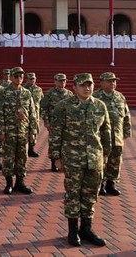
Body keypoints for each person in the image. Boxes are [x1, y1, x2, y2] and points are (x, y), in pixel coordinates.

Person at [50, 73, 110, 247]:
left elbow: (106, 133)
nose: (87, 88)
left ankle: (87, 229)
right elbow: (56, 133)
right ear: (74, 87)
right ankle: (72, 230)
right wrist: (56, 157)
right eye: (83, 85)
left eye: (89, 84)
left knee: (91, 194)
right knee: (73, 194)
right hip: (72, 158)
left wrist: (104, 156)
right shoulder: (63, 106)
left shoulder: (100, 106)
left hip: (94, 158)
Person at [0, 67, 36, 195]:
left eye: (21, 76)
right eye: (16, 76)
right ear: (11, 77)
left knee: (22, 158)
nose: (19, 78)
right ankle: (9, 183)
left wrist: (33, 131)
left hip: (23, 131)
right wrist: (1, 131)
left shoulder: (27, 93)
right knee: (8, 158)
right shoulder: (4, 93)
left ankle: (20, 182)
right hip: (9, 132)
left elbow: (32, 113)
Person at [94, 72, 132, 196]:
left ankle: (111, 184)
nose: (113, 83)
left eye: (114, 81)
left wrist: (126, 131)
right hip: (101, 137)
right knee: (101, 161)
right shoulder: (95, 97)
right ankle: (100, 185)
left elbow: (126, 115)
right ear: (102, 82)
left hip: (117, 136)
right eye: (109, 81)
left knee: (115, 161)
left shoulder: (120, 96)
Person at [41, 73, 74, 172]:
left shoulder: (69, 94)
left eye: (64, 80)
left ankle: (64, 162)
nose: (62, 82)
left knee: (66, 143)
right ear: (55, 82)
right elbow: (44, 108)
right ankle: (54, 163)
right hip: (54, 123)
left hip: (66, 124)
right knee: (54, 143)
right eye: (60, 81)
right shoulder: (50, 93)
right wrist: (47, 122)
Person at [24, 72, 43, 157]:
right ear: (27, 79)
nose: (32, 80)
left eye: (33, 79)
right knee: (25, 132)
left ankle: (31, 149)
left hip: (35, 115)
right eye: (30, 79)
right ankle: (25, 149)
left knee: (34, 132)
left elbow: (41, 101)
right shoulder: (23, 89)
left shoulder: (38, 89)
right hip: (26, 115)